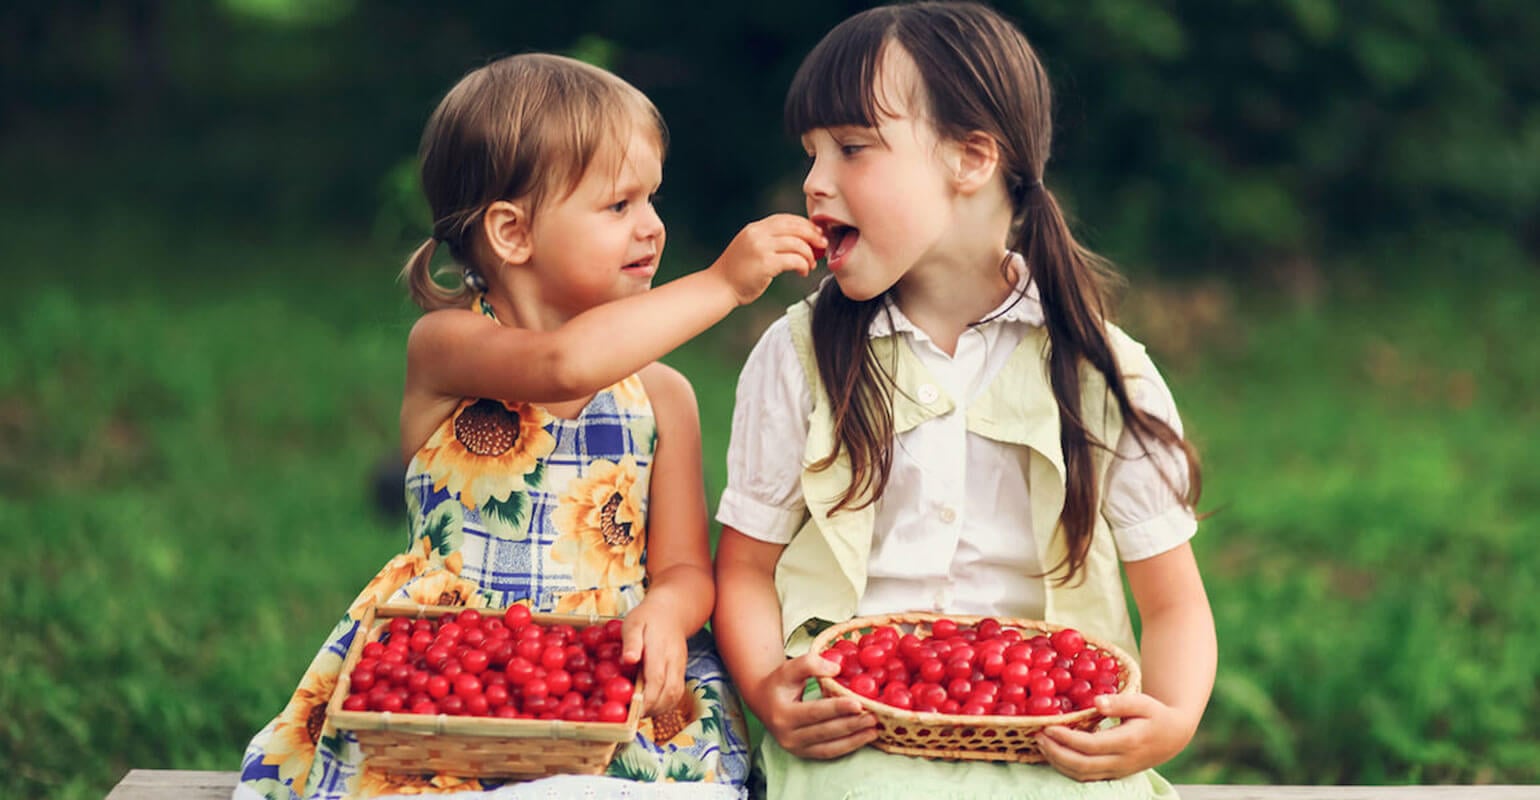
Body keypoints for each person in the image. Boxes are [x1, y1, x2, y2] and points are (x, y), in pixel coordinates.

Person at [235, 52, 824, 800]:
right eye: (619, 207)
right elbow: (561, 366)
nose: (652, 227)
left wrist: (670, 614)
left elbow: (682, 568)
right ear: (512, 233)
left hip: (607, 688)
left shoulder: (665, 398)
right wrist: (719, 285)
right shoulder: (450, 350)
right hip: (454, 685)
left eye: (653, 199)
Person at [712, 4, 1216, 799]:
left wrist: (1174, 715)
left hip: (1052, 723)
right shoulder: (799, 355)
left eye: (851, 148)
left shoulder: (1099, 368)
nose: (814, 181)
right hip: (854, 717)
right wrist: (769, 689)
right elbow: (743, 569)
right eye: (811, 154)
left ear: (971, 158)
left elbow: (1175, 602)